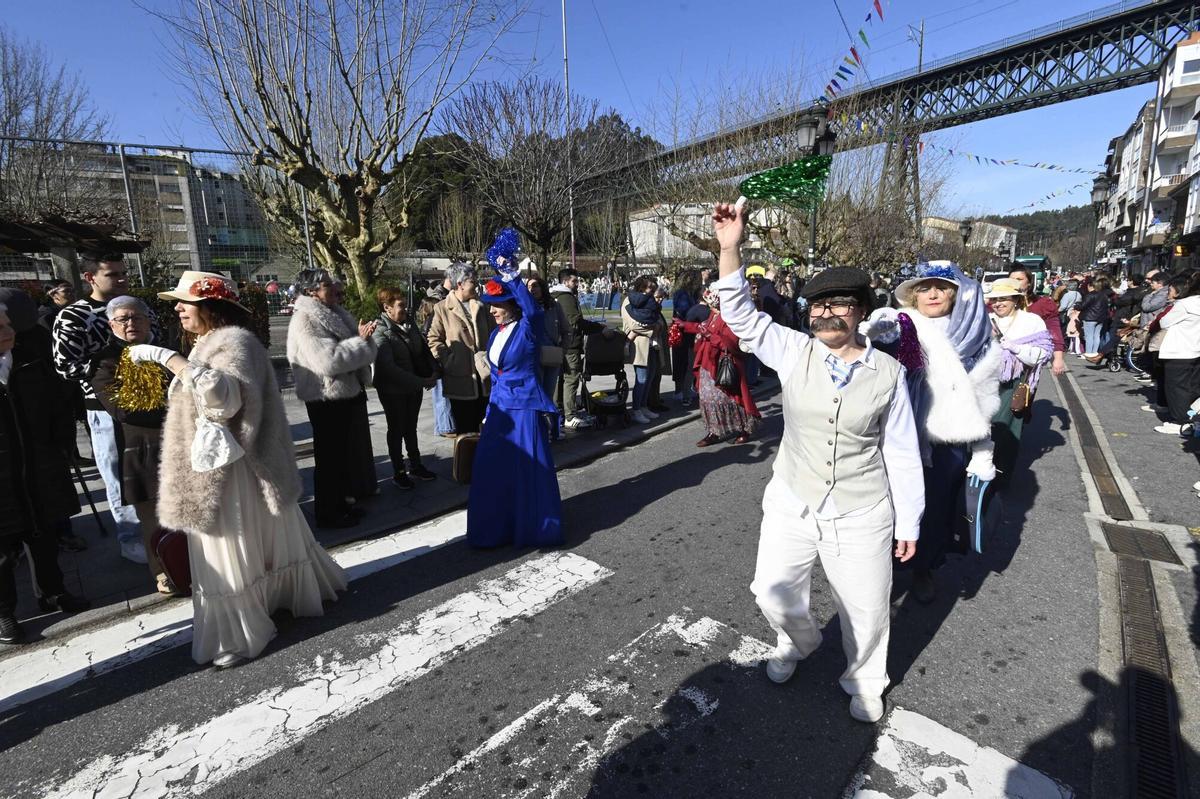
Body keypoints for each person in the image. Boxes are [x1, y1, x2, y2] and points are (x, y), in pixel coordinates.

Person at [711, 202, 924, 724]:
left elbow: (900, 449)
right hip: (793, 498)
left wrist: (909, 520)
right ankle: (797, 641)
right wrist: (730, 248)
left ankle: (865, 680)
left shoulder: (889, 373)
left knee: (866, 607)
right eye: (817, 305)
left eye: (840, 304)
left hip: (860, 507)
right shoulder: (792, 350)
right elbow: (740, 316)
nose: (826, 313)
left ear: (861, 311)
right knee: (771, 590)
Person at [130, 271, 347, 668]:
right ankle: (269, 601)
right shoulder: (213, 341)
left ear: (210, 307)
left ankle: (241, 627)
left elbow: (224, 401)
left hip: (233, 470)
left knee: (228, 542)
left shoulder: (233, 342)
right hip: (229, 464)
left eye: (184, 302)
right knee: (250, 540)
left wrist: (171, 360)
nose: (177, 309)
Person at [864, 262, 1001, 604]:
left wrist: (983, 449)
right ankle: (882, 570)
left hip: (947, 440)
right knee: (887, 504)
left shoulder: (976, 334)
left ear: (954, 293)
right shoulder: (901, 323)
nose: (933, 294)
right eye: (924, 288)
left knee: (936, 510)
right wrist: (873, 332)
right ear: (914, 295)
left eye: (941, 287)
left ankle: (924, 568)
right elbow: (872, 356)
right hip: (898, 432)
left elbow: (984, 394)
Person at [0, 301, 91, 643]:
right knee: (2, 550)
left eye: (8, 324)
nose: (9, 331)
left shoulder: (30, 359)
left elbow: (58, 404)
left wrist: (61, 446)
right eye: (0, 328)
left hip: (38, 465)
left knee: (43, 535)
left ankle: (53, 592)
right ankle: (4, 612)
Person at [51, 251, 150, 564]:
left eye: (124, 273)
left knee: (152, 467)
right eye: (113, 274)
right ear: (90, 277)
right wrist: (109, 366)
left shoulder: (139, 306)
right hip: (104, 407)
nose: (122, 279)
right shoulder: (73, 316)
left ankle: (160, 530)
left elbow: (157, 341)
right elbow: (65, 366)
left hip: (150, 402)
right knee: (117, 473)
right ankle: (130, 537)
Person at [466, 259, 563, 548]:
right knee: (492, 471)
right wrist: (488, 411)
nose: (491, 310)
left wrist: (513, 277)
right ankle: (498, 529)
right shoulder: (496, 333)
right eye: (490, 305)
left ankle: (532, 529)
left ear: (512, 305)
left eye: (496, 305)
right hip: (500, 411)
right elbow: (497, 377)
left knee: (527, 472)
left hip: (524, 409)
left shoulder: (527, 328)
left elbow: (533, 311)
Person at [88, 296, 176, 594]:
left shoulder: (168, 352)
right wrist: (172, 407)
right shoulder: (104, 361)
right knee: (151, 518)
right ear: (111, 324)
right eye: (123, 319)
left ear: (148, 320)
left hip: (180, 443)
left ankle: (196, 564)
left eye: (137, 317)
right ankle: (162, 572)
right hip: (140, 447)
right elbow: (122, 409)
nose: (130, 323)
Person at [287, 268, 378, 529]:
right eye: (327, 284)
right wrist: (360, 342)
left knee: (342, 455)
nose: (333, 287)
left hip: (343, 394)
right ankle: (328, 513)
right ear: (311, 292)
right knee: (329, 458)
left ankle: (342, 504)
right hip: (324, 397)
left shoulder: (333, 312)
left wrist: (362, 341)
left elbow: (351, 348)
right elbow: (327, 361)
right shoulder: (305, 319)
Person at [984, 279, 1053, 482]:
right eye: (994, 299)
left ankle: (1000, 477)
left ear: (1015, 299)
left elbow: (1043, 354)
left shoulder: (1031, 321)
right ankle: (979, 473)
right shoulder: (985, 319)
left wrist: (1016, 348)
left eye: (1003, 299)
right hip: (984, 382)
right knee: (981, 430)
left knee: (1005, 432)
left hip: (1012, 384)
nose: (998, 303)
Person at [372, 287, 438, 490]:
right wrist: (421, 382)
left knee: (411, 427)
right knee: (397, 429)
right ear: (387, 308)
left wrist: (433, 372)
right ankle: (399, 471)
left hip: (413, 388)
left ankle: (416, 465)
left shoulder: (410, 324)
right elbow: (389, 368)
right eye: (400, 305)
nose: (405, 308)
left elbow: (424, 351)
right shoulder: (380, 331)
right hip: (393, 391)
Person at [679, 287, 760, 446]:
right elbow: (704, 327)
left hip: (724, 363)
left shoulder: (731, 317)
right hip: (707, 362)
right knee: (708, 398)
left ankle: (744, 428)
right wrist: (685, 325)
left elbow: (730, 343)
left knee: (730, 397)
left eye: (710, 301)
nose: (708, 305)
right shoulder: (713, 314)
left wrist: (709, 335)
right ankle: (714, 430)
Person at [427, 263, 494, 434]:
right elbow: (434, 339)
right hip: (460, 379)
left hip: (485, 377)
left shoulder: (483, 305)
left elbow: (493, 334)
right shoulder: (442, 308)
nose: (476, 283)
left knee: (488, 429)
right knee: (466, 430)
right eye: (472, 280)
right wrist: (449, 360)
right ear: (460, 284)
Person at [552, 267, 614, 430]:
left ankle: (558, 412)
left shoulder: (554, 295)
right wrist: (599, 328)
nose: (577, 284)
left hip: (559, 344)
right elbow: (576, 322)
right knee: (571, 379)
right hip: (570, 345)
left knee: (559, 380)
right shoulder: (566, 297)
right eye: (574, 281)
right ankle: (569, 415)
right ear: (565, 281)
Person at [1154, 271, 1200, 435]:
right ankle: (1187, 416)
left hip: (1178, 350)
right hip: (1195, 349)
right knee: (1189, 387)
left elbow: (1164, 322)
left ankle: (1180, 422)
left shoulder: (1185, 304)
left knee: (1175, 388)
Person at [622, 275, 668, 424]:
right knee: (641, 378)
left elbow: (659, 322)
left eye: (654, 288)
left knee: (650, 377)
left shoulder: (650, 301)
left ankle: (643, 406)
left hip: (652, 345)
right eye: (650, 288)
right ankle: (636, 409)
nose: (652, 291)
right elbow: (633, 325)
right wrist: (652, 330)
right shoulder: (629, 300)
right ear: (641, 287)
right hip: (640, 345)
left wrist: (656, 327)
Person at [527, 277, 568, 440]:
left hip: (552, 355)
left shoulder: (554, 306)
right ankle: (540, 429)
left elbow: (566, 330)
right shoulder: (524, 306)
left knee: (548, 394)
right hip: (533, 357)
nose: (532, 289)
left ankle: (550, 429)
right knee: (537, 394)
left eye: (535, 285)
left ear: (542, 287)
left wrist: (562, 350)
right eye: (529, 286)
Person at [1008, 265, 1066, 376]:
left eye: (1019, 279)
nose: (1014, 283)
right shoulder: (999, 304)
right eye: (1011, 280)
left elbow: (1055, 333)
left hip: (1029, 359)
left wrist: (1058, 359)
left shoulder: (1043, 305)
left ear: (1029, 283)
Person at [418, 278, 456, 438]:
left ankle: (441, 426)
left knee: (440, 395)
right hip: (437, 362)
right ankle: (446, 427)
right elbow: (430, 342)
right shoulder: (431, 322)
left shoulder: (428, 322)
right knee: (443, 395)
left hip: (436, 362)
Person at [671, 269, 702, 408]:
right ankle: (681, 391)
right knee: (683, 361)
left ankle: (685, 390)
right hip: (683, 332)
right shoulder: (682, 294)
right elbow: (686, 312)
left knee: (687, 362)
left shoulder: (689, 294)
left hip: (688, 331)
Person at [1075, 275, 1113, 359]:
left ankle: (1088, 352)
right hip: (1101, 318)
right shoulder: (1104, 295)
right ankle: (1094, 352)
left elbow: (1082, 306)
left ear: (1090, 286)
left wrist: (1076, 305)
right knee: (1096, 335)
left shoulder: (1090, 295)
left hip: (1090, 318)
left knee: (1089, 336)